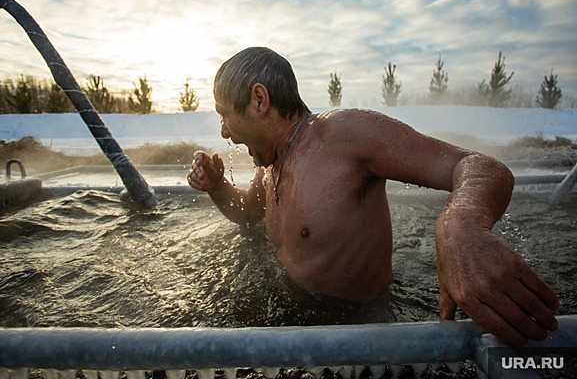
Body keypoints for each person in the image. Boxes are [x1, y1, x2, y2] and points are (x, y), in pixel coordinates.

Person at [187, 46, 560, 345]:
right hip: (295, 327)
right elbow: (247, 212)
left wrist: (459, 225)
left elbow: (481, 167)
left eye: (224, 115)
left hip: (366, 335)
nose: (223, 133)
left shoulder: (344, 136)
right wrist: (217, 187)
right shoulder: (268, 165)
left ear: (258, 99)